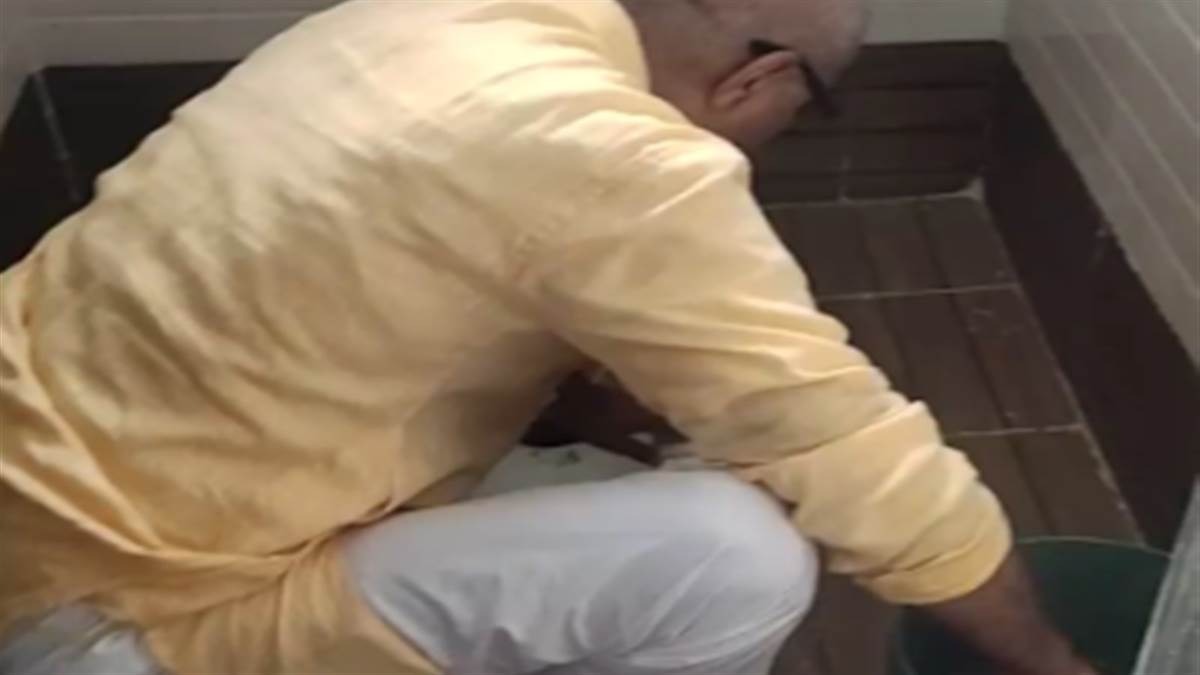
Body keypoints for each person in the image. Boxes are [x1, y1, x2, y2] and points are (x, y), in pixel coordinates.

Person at [0, 1, 1097, 673]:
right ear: (762, 78)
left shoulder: (419, 22)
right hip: (93, 616)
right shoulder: (621, 158)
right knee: (733, 553)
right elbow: (855, 458)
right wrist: (1050, 662)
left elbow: (353, 277)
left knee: (615, 463)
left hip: (36, 493)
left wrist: (566, 390)